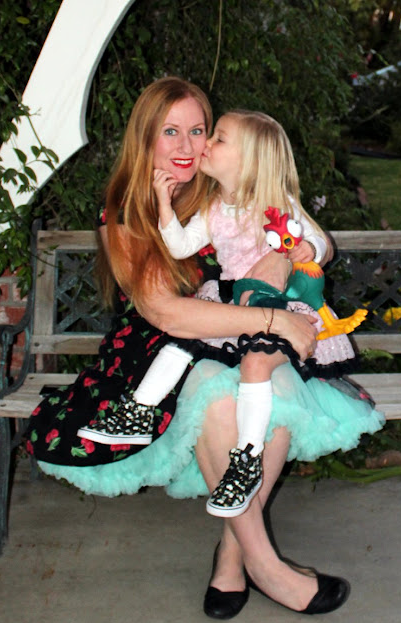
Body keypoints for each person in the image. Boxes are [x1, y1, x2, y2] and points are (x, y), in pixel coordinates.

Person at [25, 76, 384, 620]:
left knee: (278, 388)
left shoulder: (219, 189)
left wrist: (292, 254)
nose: (189, 146)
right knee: (219, 398)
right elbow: (166, 313)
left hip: (241, 335)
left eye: (199, 131)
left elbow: (315, 240)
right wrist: (273, 318)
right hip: (160, 347)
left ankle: (231, 557)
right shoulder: (128, 211)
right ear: (145, 138)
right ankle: (266, 566)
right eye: (171, 132)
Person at [78, 110, 366, 521]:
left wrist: (307, 251)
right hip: (232, 301)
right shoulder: (213, 207)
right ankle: (138, 410)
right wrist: (164, 205)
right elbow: (180, 246)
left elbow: (316, 239)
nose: (206, 145)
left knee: (256, 366)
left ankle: (246, 457)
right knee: (181, 346)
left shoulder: (275, 206)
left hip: (278, 304)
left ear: (249, 161)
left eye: (218, 138)